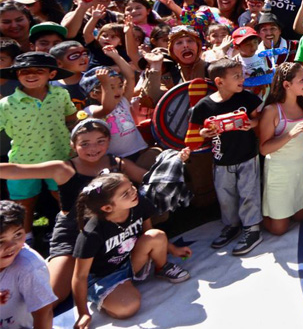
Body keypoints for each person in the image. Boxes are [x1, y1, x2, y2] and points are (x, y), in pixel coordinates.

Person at [0, 119, 152, 305]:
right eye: (85, 143)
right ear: (73, 145)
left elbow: (148, 178)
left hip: (108, 234)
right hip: (73, 234)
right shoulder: (64, 168)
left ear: (109, 140)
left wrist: (173, 164)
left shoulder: (117, 164)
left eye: (100, 141)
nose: (93, 148)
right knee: (52, 296)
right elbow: (17, 170)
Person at [71, 173, 191, 327]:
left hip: (128, 262)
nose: (134, 191)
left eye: (131, 186)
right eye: (125, 193)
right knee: (127, 308)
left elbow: (148, 232)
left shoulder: (138, 203)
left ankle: (161, 267)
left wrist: (173, 249)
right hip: (103, 278)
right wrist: (83, 313)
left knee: (156, 236)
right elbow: (79, 276)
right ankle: (114, 293)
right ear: (108, 207)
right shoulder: (92, 234)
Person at [185, 57, 264, 256]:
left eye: (241, 74)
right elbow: (198, 132)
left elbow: (258, 119)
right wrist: (205, 133)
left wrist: (251, 125)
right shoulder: (204, 105)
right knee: (225, 196)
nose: (242, 78)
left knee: (249, 193)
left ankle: (252, 228)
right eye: (236, 76)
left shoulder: (246, 98)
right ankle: (232, 225)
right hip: (220, 159)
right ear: (219, 82)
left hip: (247, 156)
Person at [0, 52, 78, 235]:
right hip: (22, 161)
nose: (31, 74)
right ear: (17, 75)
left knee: (64, 198)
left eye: (39, 70)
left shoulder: (61, 94)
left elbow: (71, 118)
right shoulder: (6, 104)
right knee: (23, 203)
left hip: (60, 157)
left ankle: (72, 234)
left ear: (51, 74)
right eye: (24, 71)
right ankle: (25, 239)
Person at [258, 63, 303, 236]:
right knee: (279, 230)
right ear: (287, 85)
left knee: (301, 217)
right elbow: (264, 150)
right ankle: (255, 217)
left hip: (300, 169)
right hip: (280, 173)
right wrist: (290, 134)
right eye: (301, 80)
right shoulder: (272, 111)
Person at [0, 201, 56, 329]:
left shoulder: (29, 267)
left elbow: (44, 312)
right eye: (1, 241)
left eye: (18, 234)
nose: (12, 246)